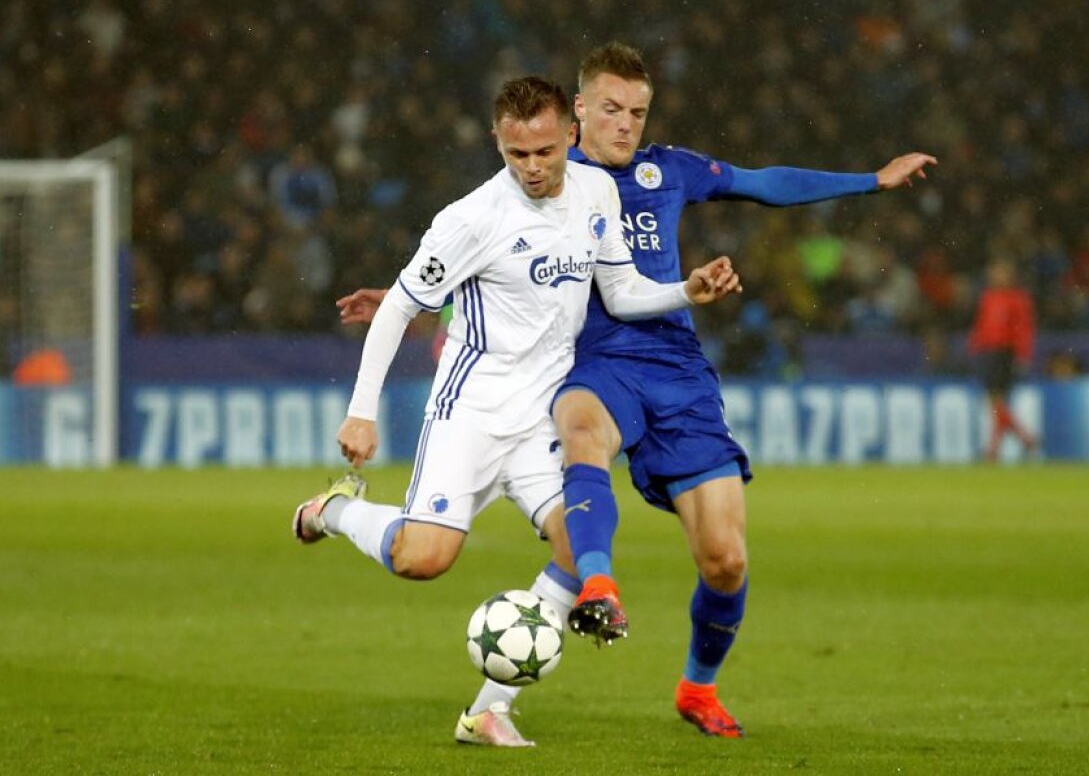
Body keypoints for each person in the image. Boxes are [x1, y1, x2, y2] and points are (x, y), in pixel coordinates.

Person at [338, 42, 936, 740]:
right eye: (613, 109)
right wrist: (415, 298)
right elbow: (495, 261)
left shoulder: (658, 172)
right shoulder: (539, 171)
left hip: (677, 365)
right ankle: (588, 593)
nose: (626, 125)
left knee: (726, 556)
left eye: (638, 112)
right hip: (591, 367)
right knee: (562, 460)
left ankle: (690, 687)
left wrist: (870, 180)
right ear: (579, 112)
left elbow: (761, 183)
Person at [294, 76, 740, 747]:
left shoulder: (596, 191)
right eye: (515, 155)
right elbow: (400, 305)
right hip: (470, 413)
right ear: (497, 143)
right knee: (424, 559)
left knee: (578, 543)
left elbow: (619, 291)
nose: (532, 168)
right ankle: (334, 510)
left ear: (569, 135)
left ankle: (488, 709)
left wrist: (685, 290)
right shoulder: (471, 218)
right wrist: (362, 412)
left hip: (541, 419)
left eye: (543, 152)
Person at [968, 258, 1038, 461]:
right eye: (994, 272)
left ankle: (1019, 440)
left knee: (996, 401)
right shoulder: (988, 297)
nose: (997, 276)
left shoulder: (1019, 299)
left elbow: (1024, 330)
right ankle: (1008, 445)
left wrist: (1023, 355)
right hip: (987, 353)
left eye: (1001, 272)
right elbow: (981, 325)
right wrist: (975, 345)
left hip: (1004, 353)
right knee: (996, 404)